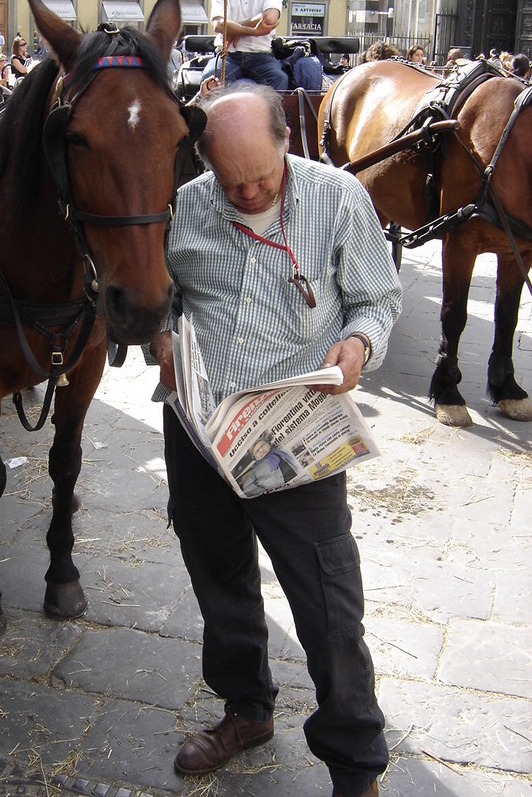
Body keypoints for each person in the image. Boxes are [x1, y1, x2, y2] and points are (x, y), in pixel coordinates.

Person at [148, 84, 401, 797]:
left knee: (327, 599)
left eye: (262, 176)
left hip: (296, 432)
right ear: (207, 169)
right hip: (201, 428)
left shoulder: (338, 196)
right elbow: (155, 292)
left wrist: (358, 343)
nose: (250, 190)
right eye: (234, 183)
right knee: (219, 576)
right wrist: (158, 334)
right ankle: (246, 708)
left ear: (287, 141)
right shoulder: (188, 205)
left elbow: (376, 298)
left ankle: (355, 764)